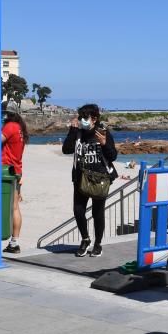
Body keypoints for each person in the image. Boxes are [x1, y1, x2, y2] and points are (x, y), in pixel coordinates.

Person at [62, 103, 117, 257]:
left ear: (94, 118)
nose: (82, 120)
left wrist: (105, 144)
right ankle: (85, 239)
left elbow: (113, 156)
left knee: (97, 212)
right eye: (80, 117)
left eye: (85, 117)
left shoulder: (102, 132)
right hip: (80, 177)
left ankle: (98, 243)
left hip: (100, 178)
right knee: (78, 210)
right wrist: (72, 131)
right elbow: (66, 149)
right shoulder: (78, 132)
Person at [2, 101, 29, 254]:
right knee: (14, 207)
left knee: (1, 206)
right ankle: (14, 242)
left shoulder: (10, 126)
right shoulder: (20, 128)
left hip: (6, 170)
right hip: (16, 170)